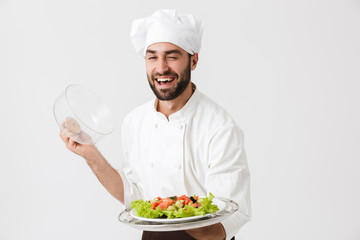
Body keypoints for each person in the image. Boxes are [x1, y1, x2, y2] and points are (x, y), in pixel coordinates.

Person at [59, 9, 251, 240]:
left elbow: (225, 222)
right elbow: (135, 197)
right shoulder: (135, 121)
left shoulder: (219, 126)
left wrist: (171, 209)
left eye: (172, 56)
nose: (161, 68)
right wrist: (91, 154)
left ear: (194, 60)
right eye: (152, 57)